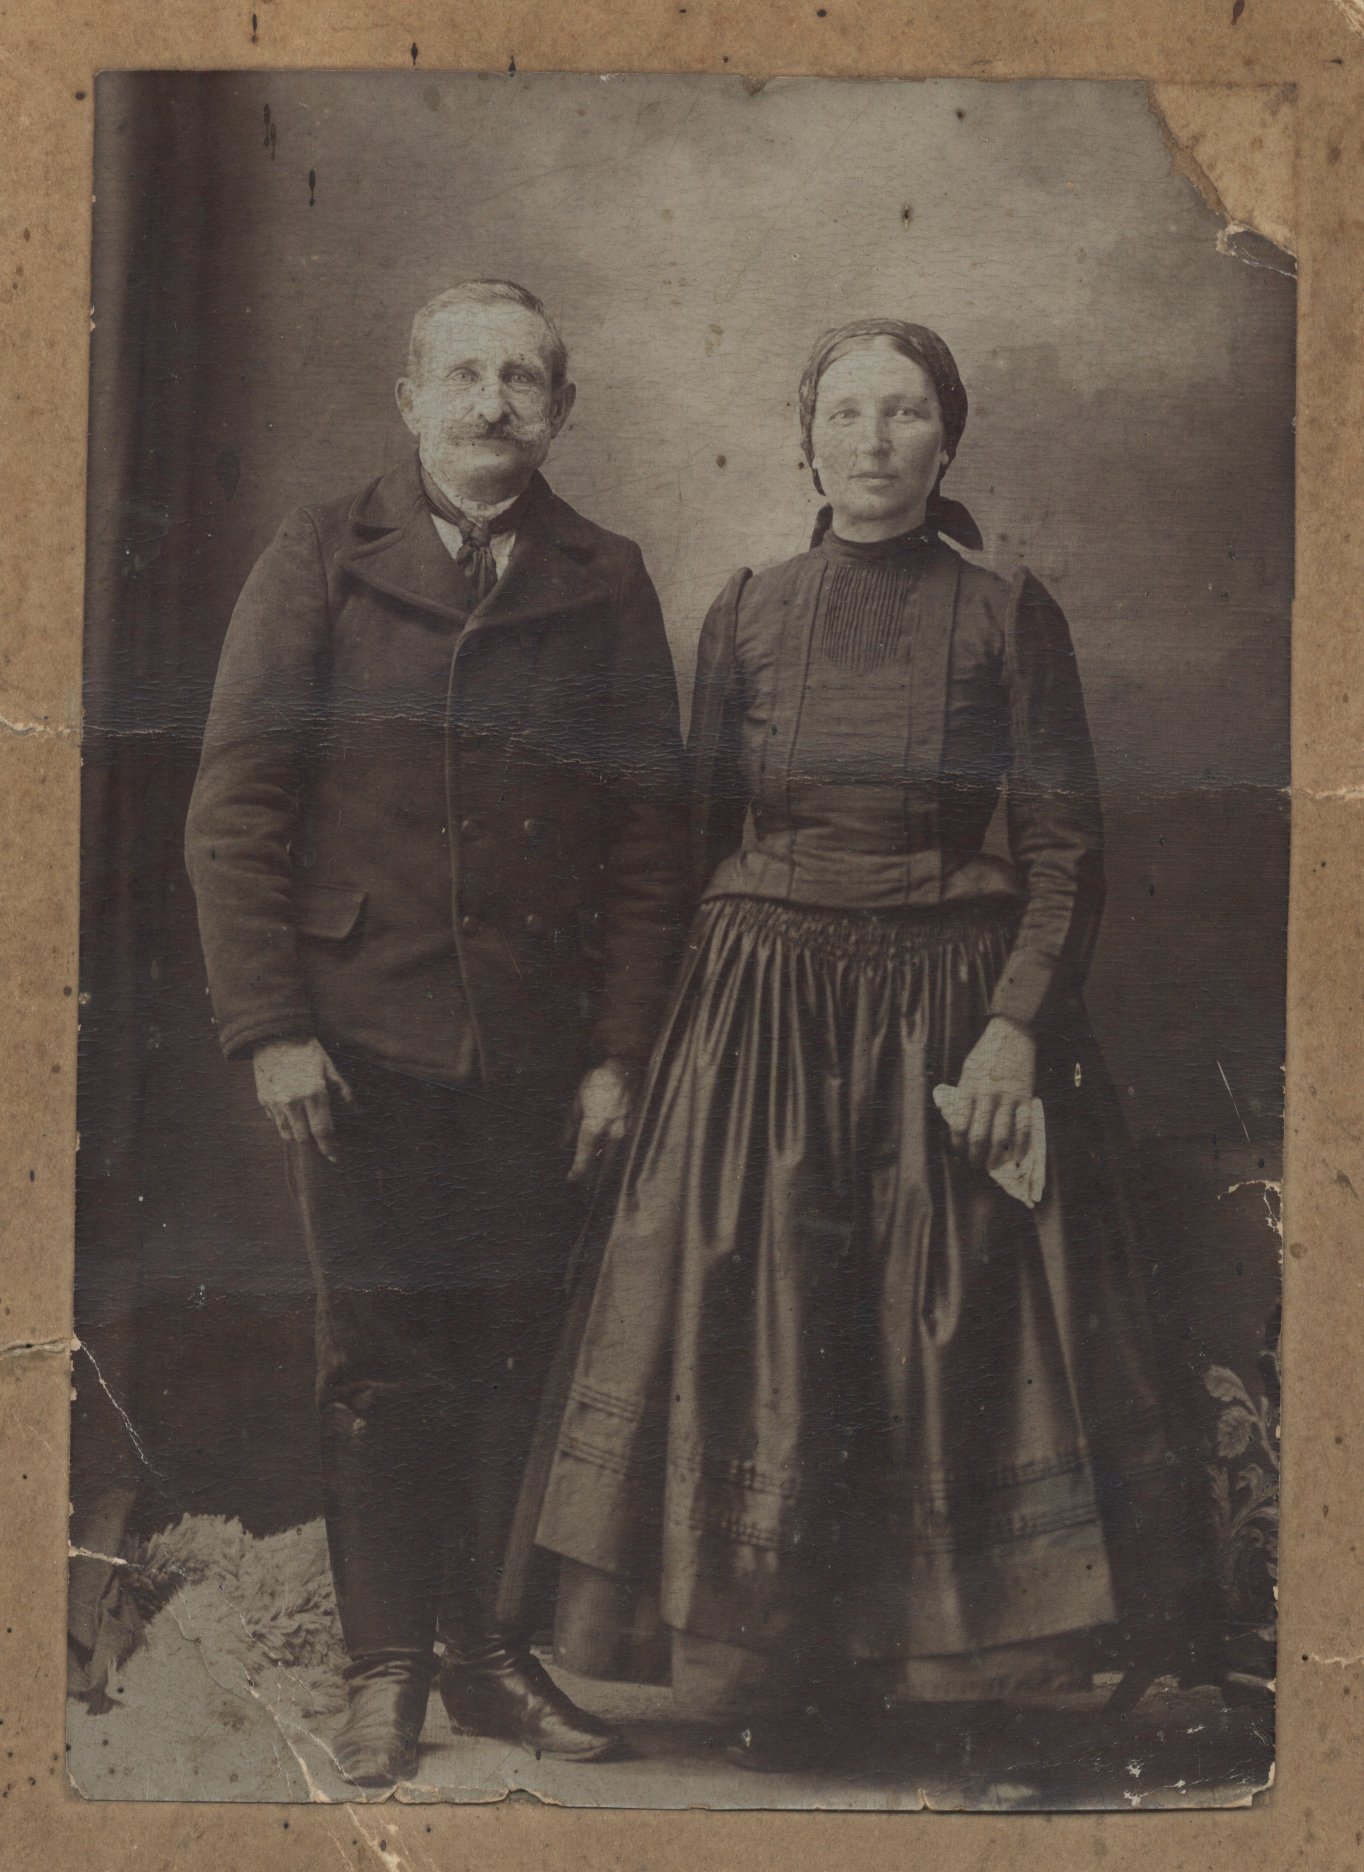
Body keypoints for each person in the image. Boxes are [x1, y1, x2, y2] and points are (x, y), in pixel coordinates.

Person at [534, 318, 1182, 1770]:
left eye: (904, 414)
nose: (874, 441)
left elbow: (1065, 849)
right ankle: (772, 1672)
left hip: (947, 1013)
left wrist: (1013, 1033)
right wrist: (656, 1042)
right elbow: (695, 835)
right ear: (806, 439)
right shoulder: (749, 609)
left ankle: (951, 1681)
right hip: (757, 1012)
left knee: (937, 1323)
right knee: (753, 1309)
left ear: (947, 441)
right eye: (847, 413)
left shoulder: (1007, 613)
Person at [185, 280, 689, 1786]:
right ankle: (386, 1666)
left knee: (513, 1348)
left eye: (522, 379)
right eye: (462, 376)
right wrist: (272, 1027)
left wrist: (617, 1053)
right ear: (408, 398)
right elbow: (236, 808)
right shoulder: (318, 554)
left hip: (536, 1046)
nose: (491, 404)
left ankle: (487, 1656)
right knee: (379, 1358)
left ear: (562, 409)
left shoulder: (606, 577)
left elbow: (651, 842)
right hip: (358, 1041)